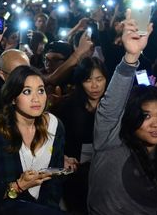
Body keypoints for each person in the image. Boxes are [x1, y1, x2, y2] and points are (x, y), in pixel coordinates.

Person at [88, 11, 157, 214]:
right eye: (146, 116)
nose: (156, 123)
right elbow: (111, 106)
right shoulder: (110, 141)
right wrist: (131, 57)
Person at [0, 65, 66, 215]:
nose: (36, 98)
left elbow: (55, 183)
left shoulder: (55, 126)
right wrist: (18, 186)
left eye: (41, 90)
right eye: (27, 91)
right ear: (12, 98)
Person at [57, 57, 108, 213]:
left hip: (105, 172)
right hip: (75, 173)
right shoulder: (67, 107)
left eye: (99, 79)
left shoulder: (114, 107)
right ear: (80, 82)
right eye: (88, 80)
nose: (95, 86)